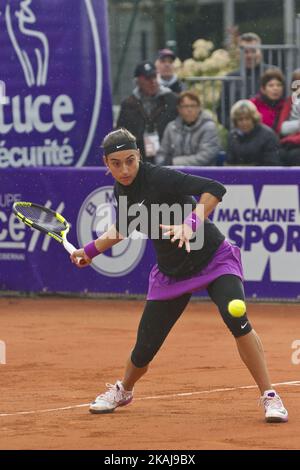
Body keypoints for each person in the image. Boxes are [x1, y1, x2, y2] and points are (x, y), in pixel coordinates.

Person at [71, 127, 288, 423]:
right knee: (144, 347)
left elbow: (214, 188)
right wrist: (90, 251)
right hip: (171, 274)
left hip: (214, 260)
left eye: (130, 160)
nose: (124, 169)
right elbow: (122, 228)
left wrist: (190, 223)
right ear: (106, 164)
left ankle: (270, 396)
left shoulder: (159, 177)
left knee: (237, 318)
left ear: (139, 156)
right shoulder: (122, 189)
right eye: (116, 163)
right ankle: (125, 389)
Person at [117, 61, 178, 162]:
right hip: (139, 158)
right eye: (147, 78)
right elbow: (121, 134)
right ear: (137, 81)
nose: (153, 81)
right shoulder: (128, 104)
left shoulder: (172, 99)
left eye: (154, 76)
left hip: (168, 156)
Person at [218, 32, 271, 129]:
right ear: (238, 53)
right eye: (245, 51)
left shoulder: (272, 74)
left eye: (253, 51)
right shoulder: (230, 78)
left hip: (269, 131)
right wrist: (236, 128)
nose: (249, 55)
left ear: (260, 52)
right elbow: (222, 111)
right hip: (239, 135)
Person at [156, 90, 220, 166]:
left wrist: (174, 162)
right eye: (185, 106)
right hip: (174, 173)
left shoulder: (209, 127)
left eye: (193, 106)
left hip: (202, 174)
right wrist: (162, 163)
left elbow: (205, 157)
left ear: (199, 108)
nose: (189, 110)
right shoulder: (171, 127)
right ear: (179, 109)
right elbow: (162, 153)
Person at [228, 100, 280, 166]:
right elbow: (230, 163)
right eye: (240, 119)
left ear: (254, 119)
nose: (244, 123)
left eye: (247, 119)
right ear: (235, 121)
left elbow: (272, 164)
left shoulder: (268, 136)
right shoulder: (232, 136)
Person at [276, 69, 300, 165]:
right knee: (279, 155)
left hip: (293, 144)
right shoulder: (290, 101)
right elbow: (282, 128)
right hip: (289, 144)